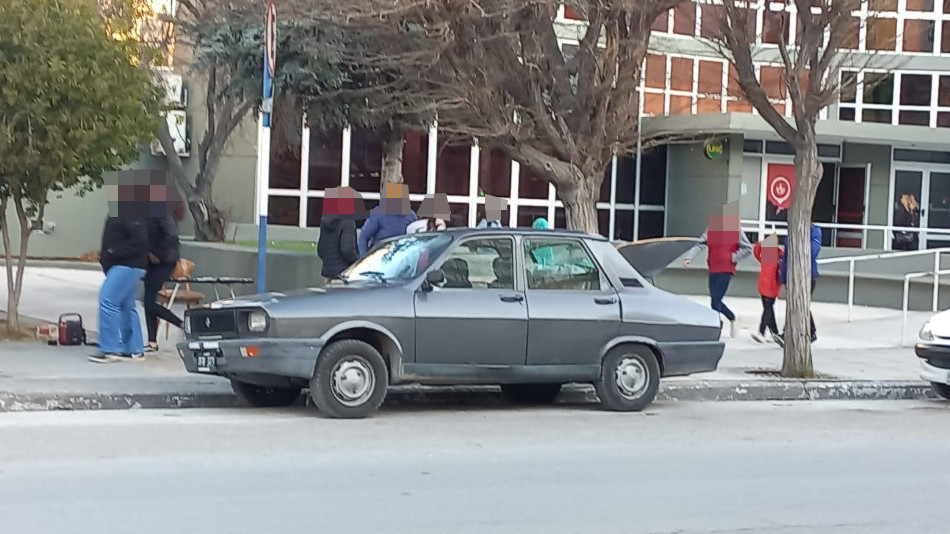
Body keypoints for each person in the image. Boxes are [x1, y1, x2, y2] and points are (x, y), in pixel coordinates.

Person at [683, 207, 753, 337]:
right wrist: (689, 257)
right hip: (713, 267)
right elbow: (700, 244)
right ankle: (730, 318)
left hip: (726, 269)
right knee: (714, 299)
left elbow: (747, 248)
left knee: (715, 300)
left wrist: (734, 257)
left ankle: (716, 328)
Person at [89, 214, 149, 363]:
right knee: (126, 306)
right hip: (126, 264)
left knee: (108, 301)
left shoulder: (130, 210)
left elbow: (139, 240)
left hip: (127, 264)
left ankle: (111, 349)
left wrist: (112, 252)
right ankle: (134, 349)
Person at [143, 202, 185, 353]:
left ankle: (181, 324)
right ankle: (152, 341)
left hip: (164, 261)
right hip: (153, 261)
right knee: (148, 299)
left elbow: (171, 235)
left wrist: (157, 253)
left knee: (148, 302)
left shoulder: (161, 211)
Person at [775, 224, 822, 345]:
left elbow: (813, 250)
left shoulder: (814, 231)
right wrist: (784, 278)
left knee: (802, 304)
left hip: (807, 274)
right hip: (792, 275)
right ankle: (791, 332)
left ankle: (807, 332)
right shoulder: (791, 232)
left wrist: (798, 245)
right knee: (794, 303)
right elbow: (786, 257)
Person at [751, 235, 783, 343]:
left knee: (767, 309)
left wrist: (763, 243)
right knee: (768, 309)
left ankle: (762, 331)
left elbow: (756, 250)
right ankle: (775, 333)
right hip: (768, 286)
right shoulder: (773, 254)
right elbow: (756, 250)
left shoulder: (774, 255)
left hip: (770, 286)